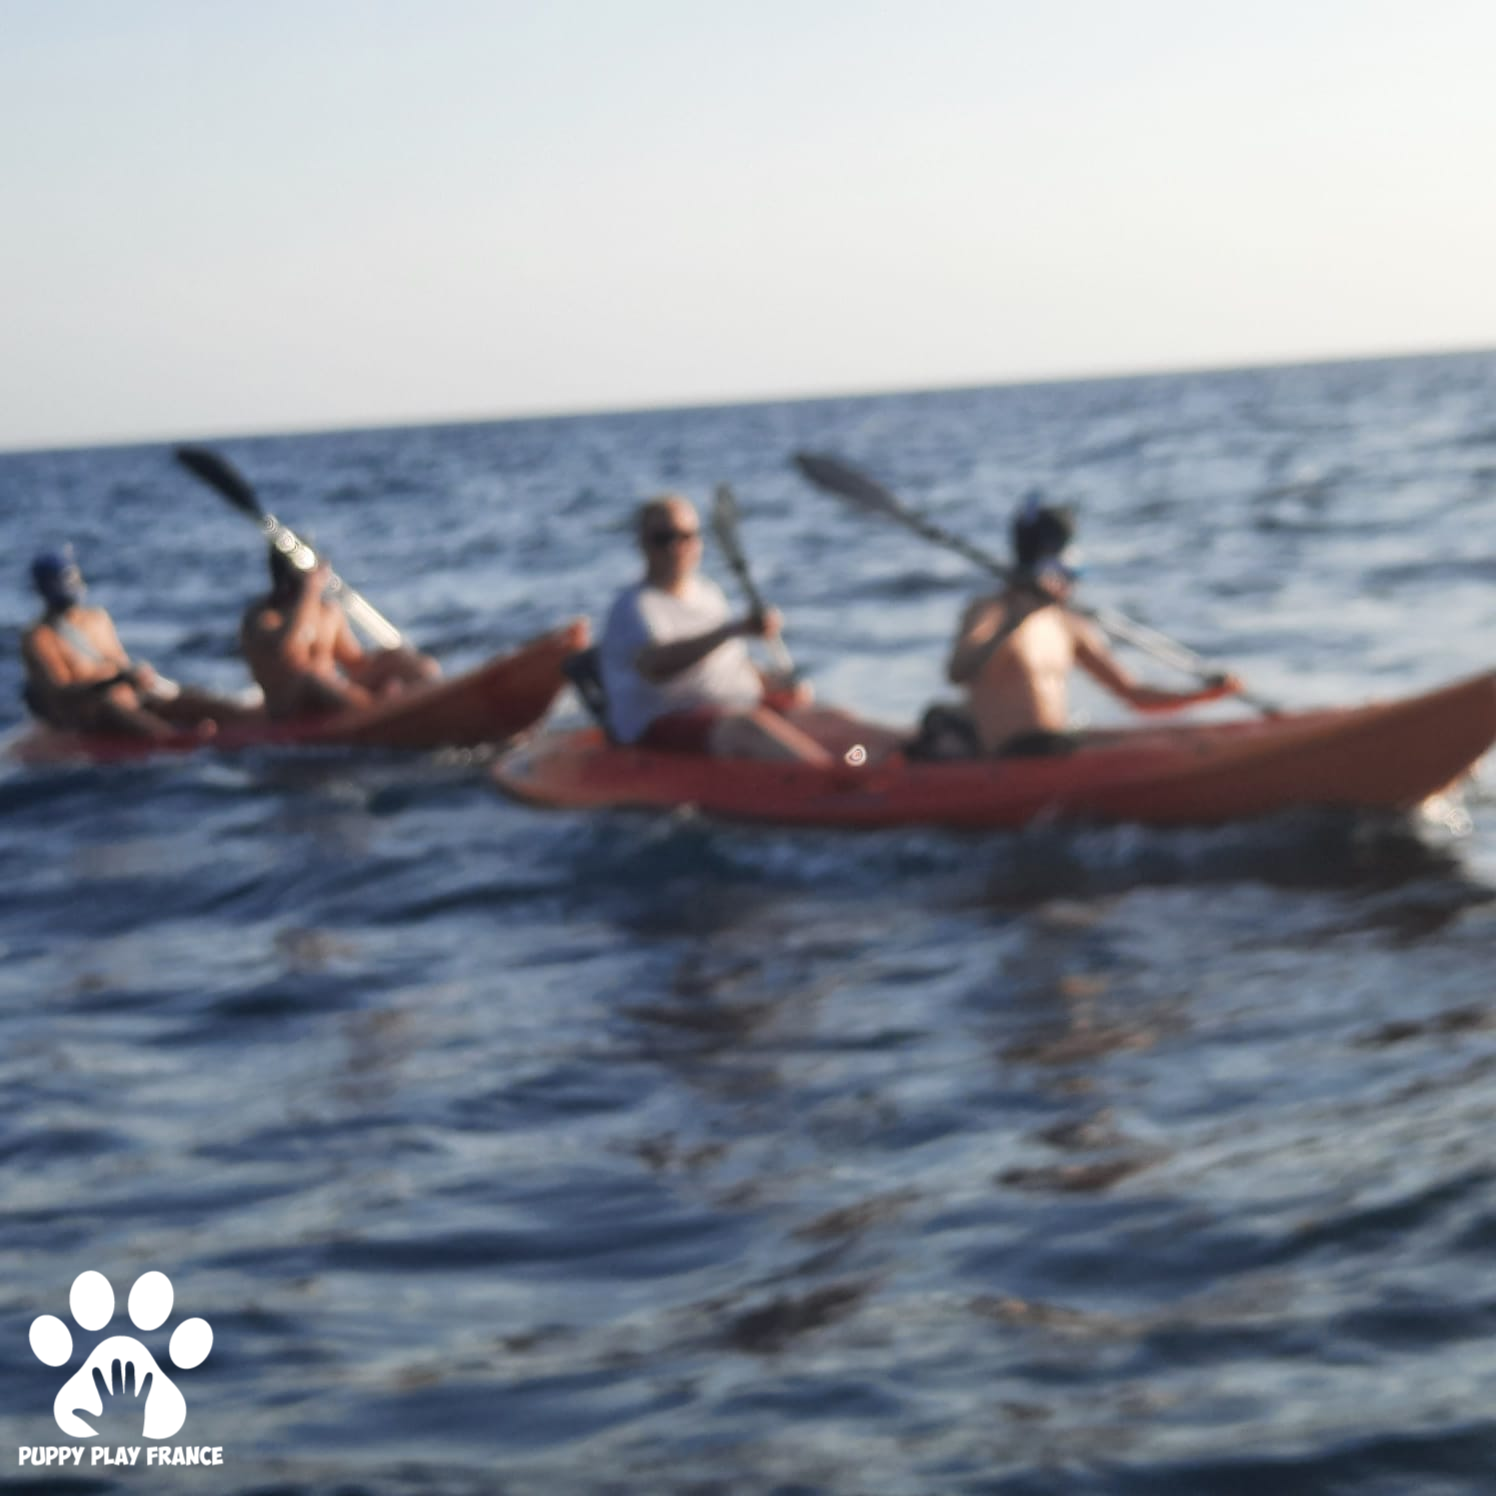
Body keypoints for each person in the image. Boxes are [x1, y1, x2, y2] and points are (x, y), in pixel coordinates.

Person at [916, 495, 1243, 759]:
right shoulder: (993, 611)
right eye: (1066, 573)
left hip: (1056, 747)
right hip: (1014, 756)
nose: (1071, 585)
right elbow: (958, 672)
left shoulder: (1068, 624)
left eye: (1074, 575)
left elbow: (1133, 694)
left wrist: (1204, 695)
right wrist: (1012, 624)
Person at [599, 494, 898, 763]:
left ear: (698, 541)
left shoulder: (708, 593)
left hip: (734, 707)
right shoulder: (634, 606)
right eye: (664, 538)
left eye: (686, 536)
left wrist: (773, 684)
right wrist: (732, 630)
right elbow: (655, 666)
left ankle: (909, 748)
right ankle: (834, 779)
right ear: (643, 544)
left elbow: (729, 664)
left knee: (831, 718)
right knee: (747, 728)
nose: (676, 547)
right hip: (663, 723)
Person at [20, 547, 248, 739]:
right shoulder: (39, 637)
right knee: (112, 707)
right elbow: (61, 693)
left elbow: (119, 663)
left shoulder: (97, 618)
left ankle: (246, 717)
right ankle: (174, 740)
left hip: (127, 698)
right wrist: (115, 682)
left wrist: (137, 678)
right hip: (91, 712)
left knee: (187, 699)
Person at [240, 543, 439, 720]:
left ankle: (432, 697)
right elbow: (286, 651)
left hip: (337, 697)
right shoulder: (263, 617)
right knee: (312, 680)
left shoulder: (327, 612)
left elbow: (355, 662)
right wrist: (309, 591)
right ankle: (379, 712)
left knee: (398, 657)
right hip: (291, 706)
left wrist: (388, 666)